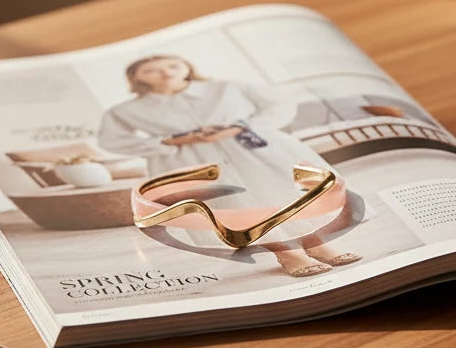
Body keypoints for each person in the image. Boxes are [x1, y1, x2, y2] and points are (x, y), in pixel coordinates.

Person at [99, 54, 361, 278]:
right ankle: (286, 253)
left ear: (187, 67)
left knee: (283, 195)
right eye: (151, 70)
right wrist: (169, 141)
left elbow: (279, 103)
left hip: (251, 149)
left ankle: (318, 245)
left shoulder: (225, 86)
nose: (165, 72)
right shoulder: (126, 110)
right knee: (237, 208)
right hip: (191, 161)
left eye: (172, 65)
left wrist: (241, 127)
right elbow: (111, 140)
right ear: (137, 78)